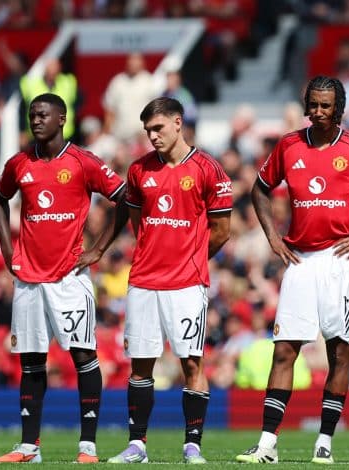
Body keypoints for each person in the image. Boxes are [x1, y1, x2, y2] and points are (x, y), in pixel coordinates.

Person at [236, 76, 349, 464]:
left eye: (326, 105)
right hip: (298, 259)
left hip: (340, 260)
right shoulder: (288, 145)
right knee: (285, 351)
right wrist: (272, 236)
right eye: (313, 104)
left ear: (340, 108)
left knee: (339, 352)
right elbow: (259, 189)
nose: (317, 111)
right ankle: (267, 444)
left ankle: (325, 442)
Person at [0, 93, 126, 463]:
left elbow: (125, 197)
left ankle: (88, 446)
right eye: (32, 114)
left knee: (84, 356)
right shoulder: (20, 163)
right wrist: (7, 249)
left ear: (61, 118)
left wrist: (98, 249)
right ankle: (28, 447)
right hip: (29, 279)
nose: (36, 120)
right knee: (31, 361)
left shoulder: (83, 161)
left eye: (43, 114)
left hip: (69, 278)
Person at [107, 97, 232, 464]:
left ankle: (192, 445)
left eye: (158, 128)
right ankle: (137, 446)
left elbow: (222, 232)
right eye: (147, 131)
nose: (152, 136)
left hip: (187, 283)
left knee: (192, 363)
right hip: (143, 280)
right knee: (140, 363)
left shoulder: (209, 169)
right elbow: (136, 222)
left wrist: (188, 258)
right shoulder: (138, 170)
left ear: (178, 123)